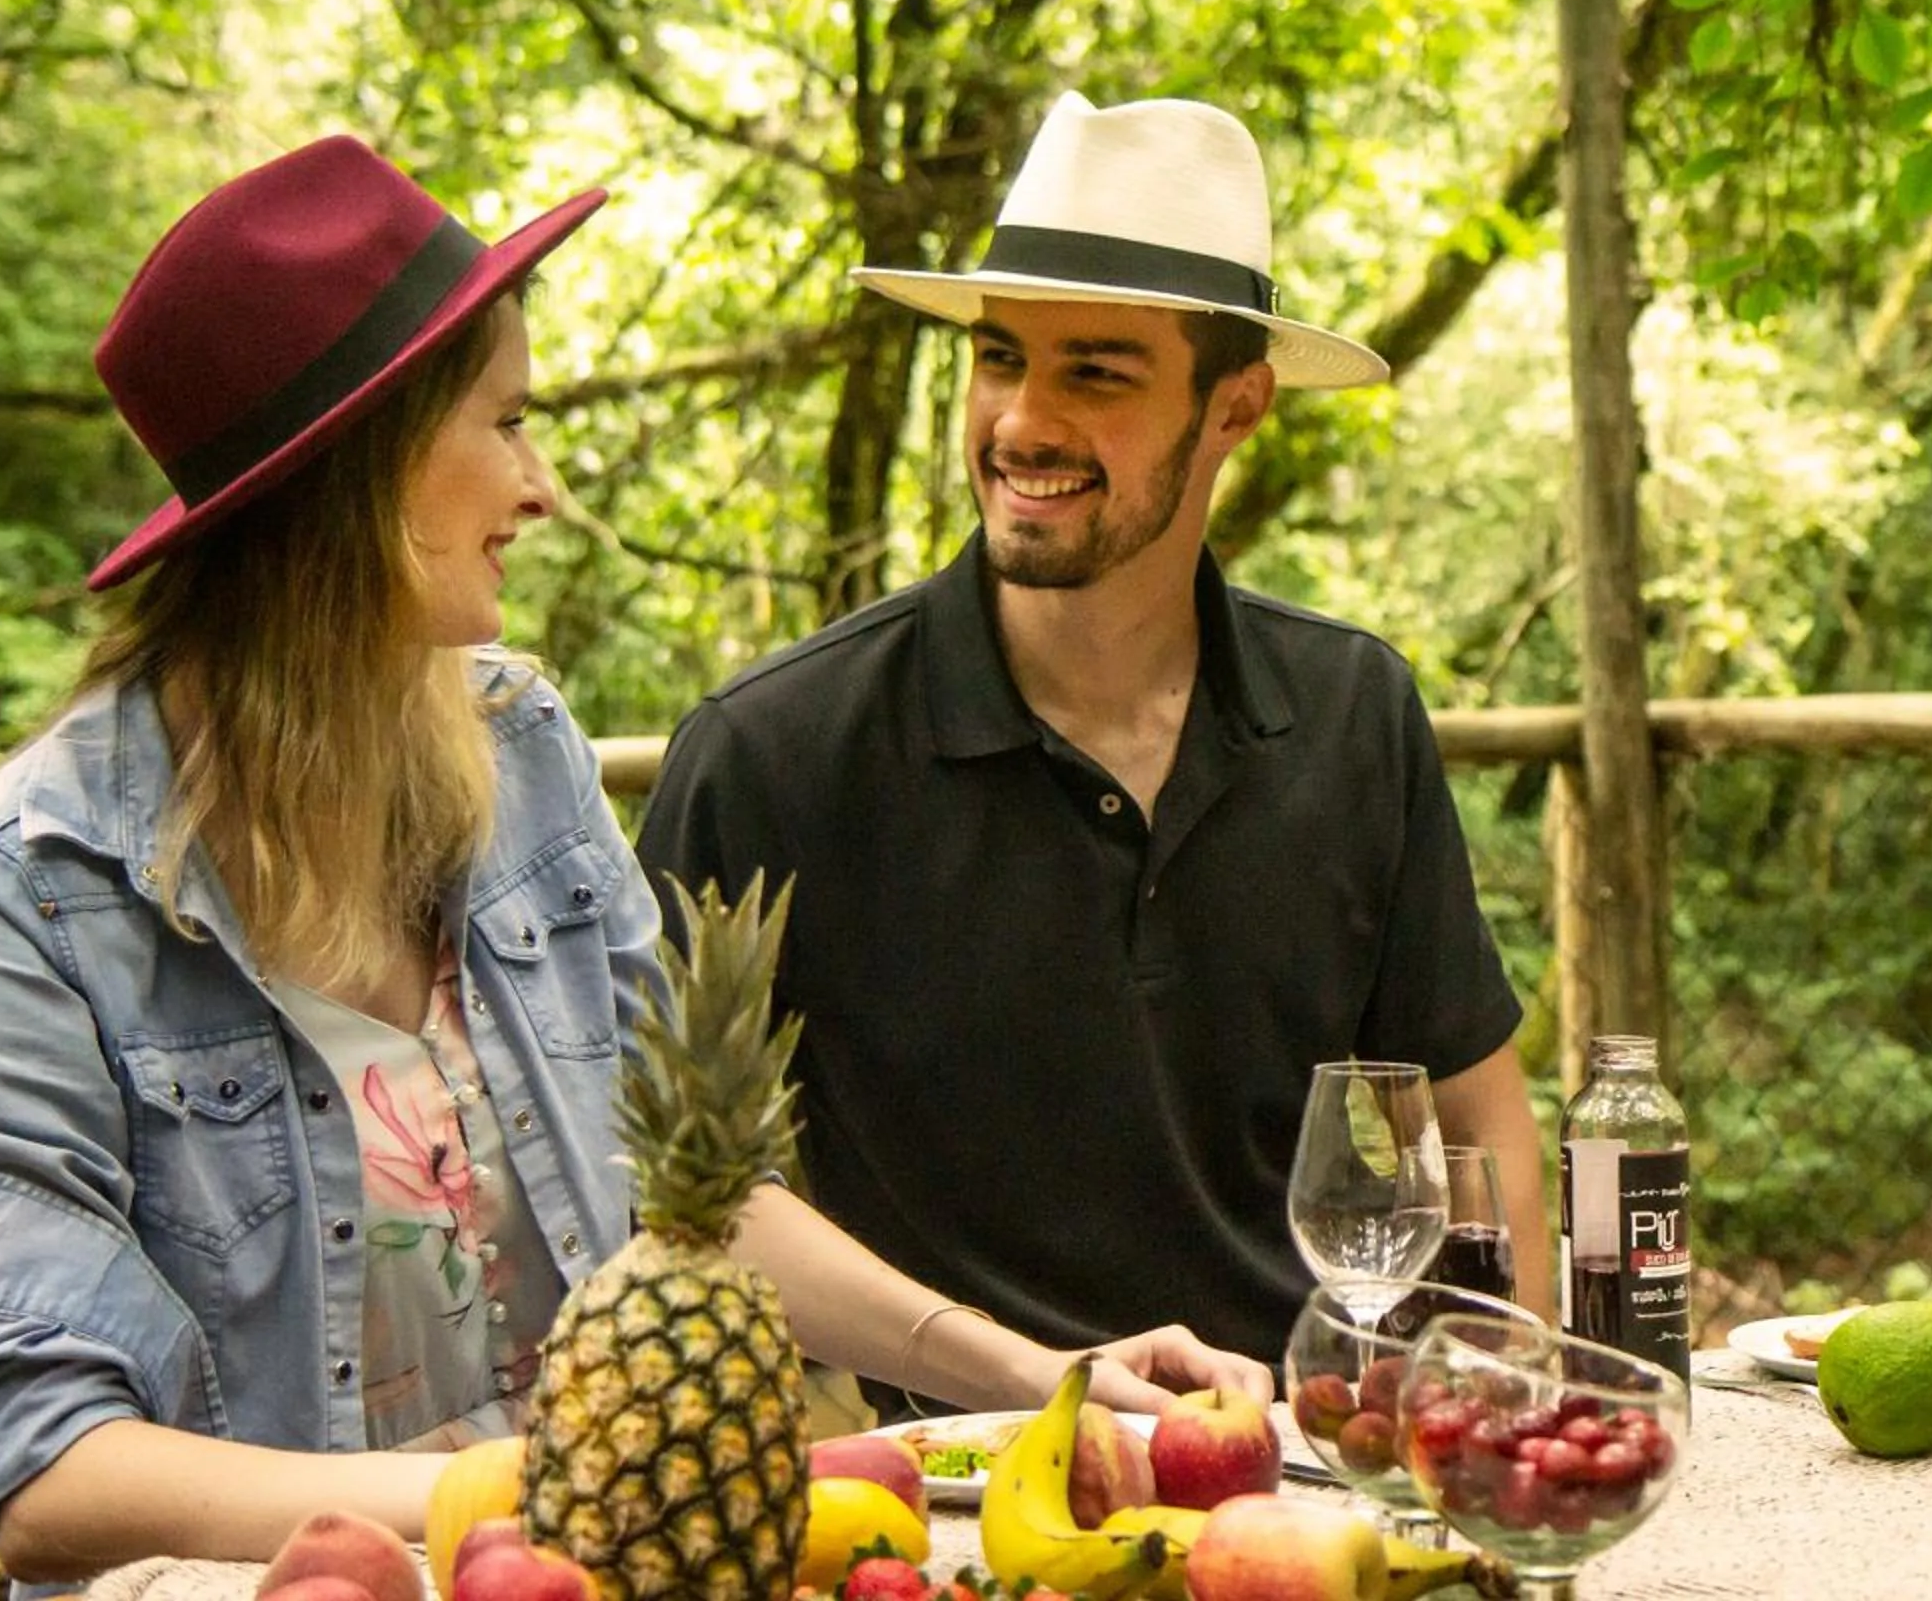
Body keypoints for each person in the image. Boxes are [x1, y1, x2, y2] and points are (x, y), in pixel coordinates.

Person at [0, 136, 1266, 1588]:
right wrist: (505, 1503)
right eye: (507, 422)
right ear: (356, 474)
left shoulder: (516, 739)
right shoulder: (28, 886)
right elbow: (50, 1469)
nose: (541, 486)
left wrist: (1021, 1370)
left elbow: (691, 1193)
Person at [637, 93, 1552, 1403]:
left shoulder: (1355, 714)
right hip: (943, 1491)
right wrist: (1022, 1378)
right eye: (1001, 357)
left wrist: (1494, 1399)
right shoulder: (772, 755)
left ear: (1237, 410)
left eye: (1096, 373)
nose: (1020, 421)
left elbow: (1479, 1126)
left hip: (1293, 1461)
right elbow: (686, 1200)